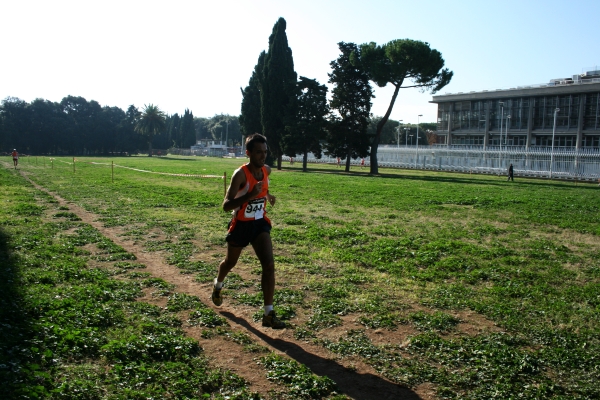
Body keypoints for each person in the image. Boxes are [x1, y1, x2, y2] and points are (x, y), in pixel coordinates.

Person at [211, 133, 285, 329]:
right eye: (259, 152)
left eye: (265, 152)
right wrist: (250, 195)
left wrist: (266, 194)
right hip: (241, 225)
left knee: (269, 265)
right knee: (230, 263)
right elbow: (226, 205)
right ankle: (218, 285)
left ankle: (268, 313)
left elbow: (262, 186)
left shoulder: (266, 170)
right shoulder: (240, 174)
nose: (263, 156)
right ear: (248, 153)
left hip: (259, 223)